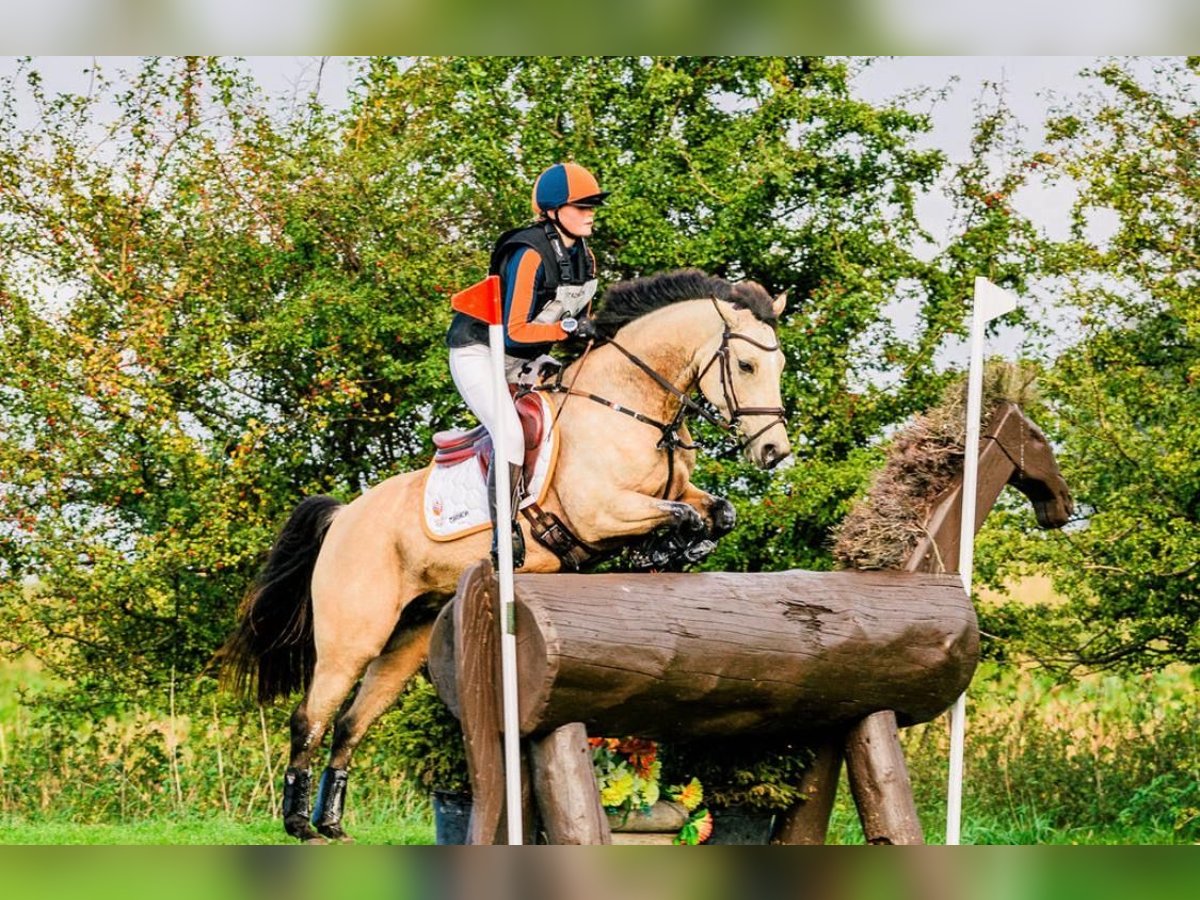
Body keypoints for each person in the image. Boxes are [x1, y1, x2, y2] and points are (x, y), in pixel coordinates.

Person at [446, 162, 608, 567]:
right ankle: (505, 531)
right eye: (581, 206)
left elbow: (572, 327)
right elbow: (515, 331)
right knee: (511, 433)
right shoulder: (529, 253)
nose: (590, 212)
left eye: (592, 206)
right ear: (553, 211)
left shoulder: (586, 259)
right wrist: (569, 330)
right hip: (481, 353)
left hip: (527, 358)